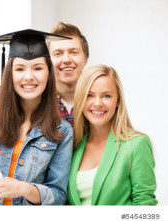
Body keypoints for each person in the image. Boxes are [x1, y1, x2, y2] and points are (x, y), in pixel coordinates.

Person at [0, 29, 73, 205]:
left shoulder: (62, 131)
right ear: (9, 74)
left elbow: (58, 196)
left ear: (48, 73)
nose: (28, 77)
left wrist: (24, 189)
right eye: (20, 69)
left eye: (38, 68)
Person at [67, 64, 157, 205]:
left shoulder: (136, 144)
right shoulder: (72, 145)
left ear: (117, 101)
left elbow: (145, 205)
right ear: (80, 100)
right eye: (89, 95)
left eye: (106, 96)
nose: (97, 103)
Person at [48, 22, 89, 128]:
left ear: (85, 59)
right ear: (47, 61)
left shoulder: (97, 103)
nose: (66, 60)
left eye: (73, 52)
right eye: (58, 53)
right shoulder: (38, 104)